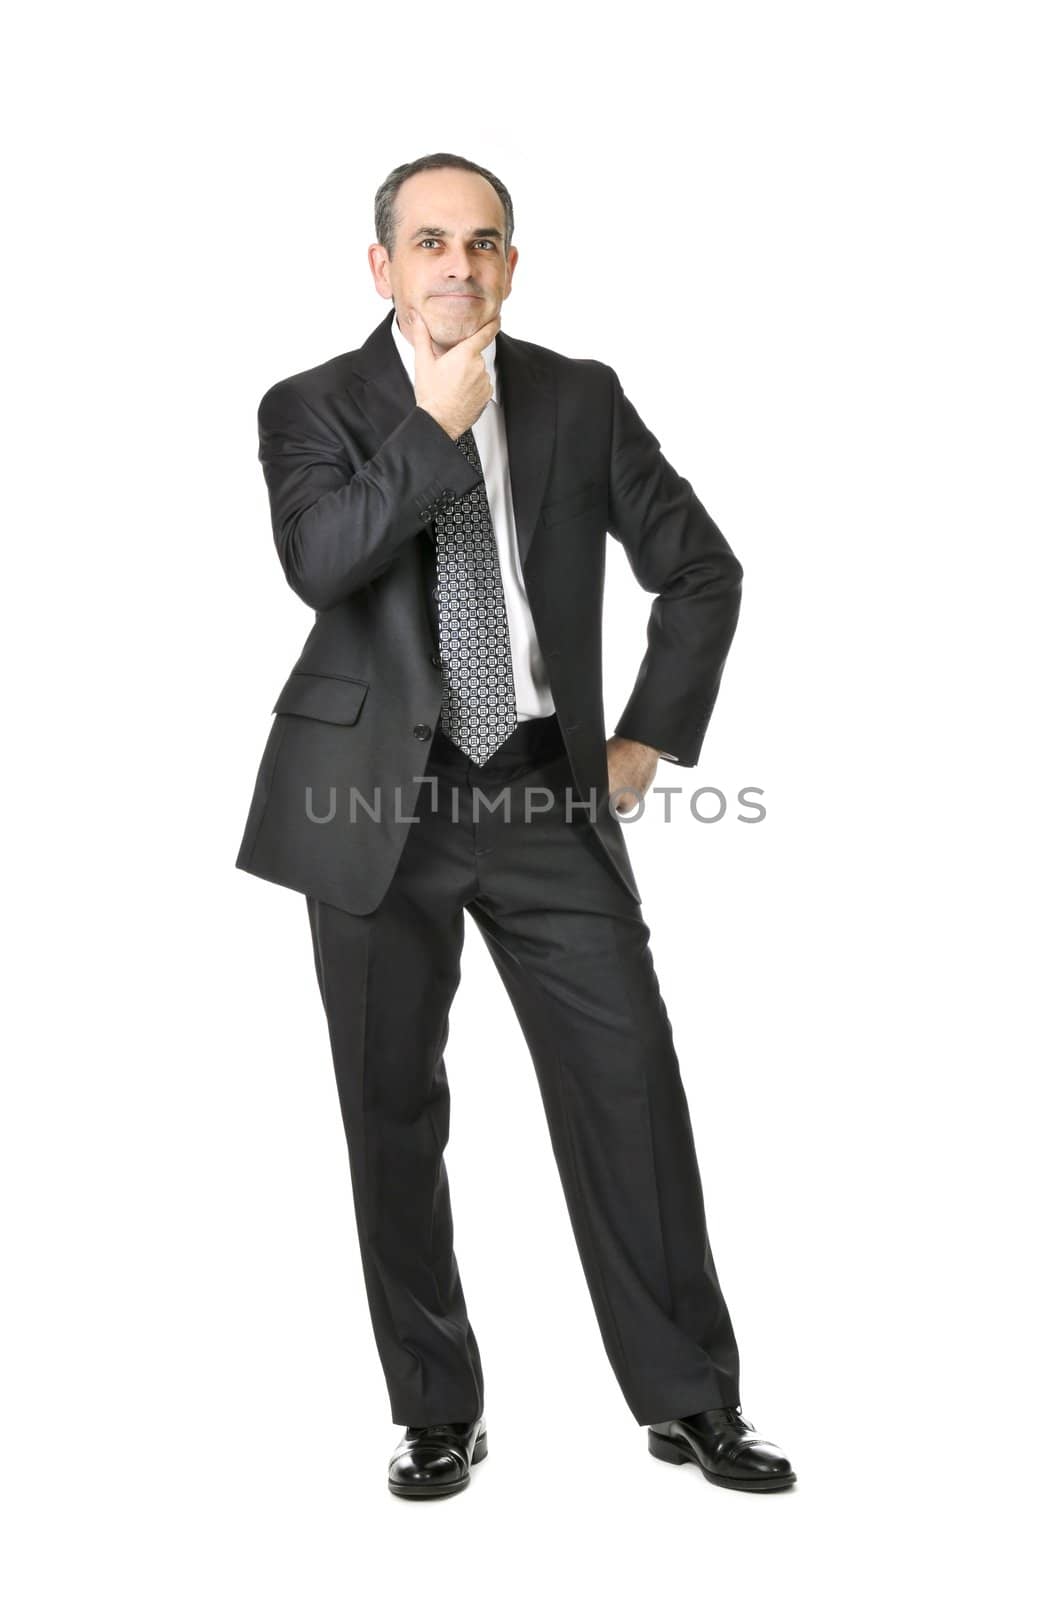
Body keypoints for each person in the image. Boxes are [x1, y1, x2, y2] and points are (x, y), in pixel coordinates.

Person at [236, 151, 796, 1499]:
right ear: (382, 265)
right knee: (391, 1111)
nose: (457, 266)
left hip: (548, 797)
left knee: (630, 1096)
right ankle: (435, 1408)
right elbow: (320, 564)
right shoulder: (311, 405)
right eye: (429, 241)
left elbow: (703, 570)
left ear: (511, 262)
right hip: (372, 810)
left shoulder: (578, 398)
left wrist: (648, 738)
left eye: (483, 242)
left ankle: (691, 1402)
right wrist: (434, 424)